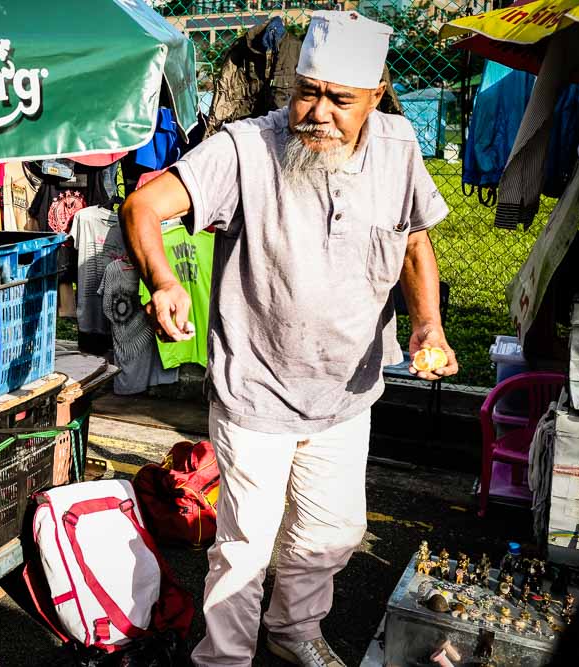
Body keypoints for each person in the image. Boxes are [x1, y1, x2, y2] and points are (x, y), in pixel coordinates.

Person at [122, 11, 457, 667]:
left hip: (348, 387)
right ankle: (224, 658)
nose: (318, 112)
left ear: (376, 92)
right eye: (308, 90)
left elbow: (416, 243)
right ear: (291, 79)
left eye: (340, 99)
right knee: (245, 544)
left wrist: (428, 322)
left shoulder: (397, 147)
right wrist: (162, 279)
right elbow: (144, 206)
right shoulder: (247, 147)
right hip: (256, 384)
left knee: (332, 531)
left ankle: (293, 628)